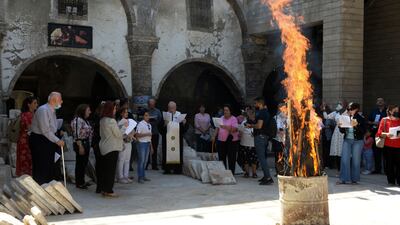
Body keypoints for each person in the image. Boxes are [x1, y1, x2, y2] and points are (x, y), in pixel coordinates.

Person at [29, 92, 64, 185]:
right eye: (60, 100)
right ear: (54, 100)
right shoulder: (43, 110)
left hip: (47, 139)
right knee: (42, 165)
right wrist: (57, 140)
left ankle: (47, 185)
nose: (62, 102)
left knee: (48, 164)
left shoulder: (51, 110)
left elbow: (52, 126)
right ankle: (41, 186)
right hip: (40, 140)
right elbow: (45, 130)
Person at [99, 101, 126, 197]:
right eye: (114, 108)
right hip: (112, 147)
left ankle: (104, 189)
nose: (115, 110)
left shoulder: (102, 120)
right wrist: (124, 128)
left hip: (104, 146)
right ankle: (109, 190)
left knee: (106, 170)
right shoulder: (111, 120)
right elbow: (118, 134)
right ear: (110, 109)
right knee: (111, 171)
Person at [337, 102, 367, 185]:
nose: (349, 111)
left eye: (351, 109)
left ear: (356, 109)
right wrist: (340, 126)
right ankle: (343, 179)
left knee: (356, 160)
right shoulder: (345, 117)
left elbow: (364, 131)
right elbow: (343, 132)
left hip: (358, 141)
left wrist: (356, 125)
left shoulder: (361, 118)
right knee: (344, 159)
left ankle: (355, 179)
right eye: (348, 109)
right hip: (347, 140)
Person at [247, 97, 274, 185]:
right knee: (263, 157)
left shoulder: (262, 112)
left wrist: (251, 126)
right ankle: (266, 175)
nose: (255, 105)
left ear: (260, 103)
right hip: (264, 137)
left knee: (261, 157)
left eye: (256, 103)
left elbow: (259, 126)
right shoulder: (265, 112)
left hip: (260, 137)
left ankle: (268, 177)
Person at [376, 105, 400, 185]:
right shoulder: (384, 120)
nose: (397, 112)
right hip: (388, 146)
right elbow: (379, 133)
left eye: (397, 110)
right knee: (389, 164)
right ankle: (391, 181)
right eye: (395, 110)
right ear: (390, 111)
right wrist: (386, 134)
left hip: (398, 146)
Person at [71, 104, 93, 189]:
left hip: (86, 143)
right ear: (83, 111)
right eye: (88, 110)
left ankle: (82, 181)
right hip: (80, 143)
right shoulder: (77, 120)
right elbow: (76, 135)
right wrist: (80, 146)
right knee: (80, 163)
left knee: (83, 163)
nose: (90, 112)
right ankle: (79, 182)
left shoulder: (85, 120)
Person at [212, 104, 239, 175]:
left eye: (227, 110)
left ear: (230, 111)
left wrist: (224, 127)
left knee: (231, 158)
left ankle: (231, 174)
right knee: (221, 157)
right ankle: (223, 173)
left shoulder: (234, 118)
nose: (225, 112)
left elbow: (235, 129)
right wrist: (214, 136)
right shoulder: (221, 118)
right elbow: (217, 128)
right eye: (224, 110)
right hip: (221, 140)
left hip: (231, 141)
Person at [161, 101, 187, 174]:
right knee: (167, 152)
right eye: (170, 108)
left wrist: (184, 124)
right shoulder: (165, 115)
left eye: (173, 108)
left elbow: (183, 130)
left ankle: (177, 169)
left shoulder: (179, 115)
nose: (171, 109)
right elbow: (160, 128)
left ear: (175, 107)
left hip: (177, 138)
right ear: (168, 108)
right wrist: (164, 124)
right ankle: (167, 169)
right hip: (167, 138)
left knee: (178, 153)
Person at [16, 96, 38, 176]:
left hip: (25, 140)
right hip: (26, 141)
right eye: (34, 103)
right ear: (29, 104)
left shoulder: (28, 114)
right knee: (27, 161)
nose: (36, 105)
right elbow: (30, 128)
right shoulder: (28, 115)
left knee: (26, 161)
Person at [325, 101, 347, 171]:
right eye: (338, 104)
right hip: (337, 131)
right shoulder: (336, 113)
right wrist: (324, 110)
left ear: (344, 105)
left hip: (344, 131)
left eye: (340, 104)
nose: (339, 105)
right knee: (336, 150)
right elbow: (327, 116)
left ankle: (344, 168)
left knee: (342, 149)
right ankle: (338, 169)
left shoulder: (347, 113)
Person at [368, 97, 387, 174]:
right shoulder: (374, 111)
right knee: (376, 152)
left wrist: (381, 123)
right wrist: (373, 123)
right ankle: (377, 169)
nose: (379, 102)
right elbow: (368, 121)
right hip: (375, 133)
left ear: (384, 102)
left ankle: (386, 170)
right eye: (378, 101)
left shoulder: (387, 111)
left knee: (385, 153)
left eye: (381, 101)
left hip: (385, 134)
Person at [116, 107, 135, 184]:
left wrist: (132, 134)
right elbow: (119, 132)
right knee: (121, 160)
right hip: (122, 142)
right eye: (125, 112)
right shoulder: (120, 121)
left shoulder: (128, 121)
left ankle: (126, 176)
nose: (127, 113)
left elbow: (132, 131)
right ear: (121, 113)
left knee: (127, 160)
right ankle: (120, 177)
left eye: (127, 112)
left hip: (129, 141)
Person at [238, 108, 258, 178]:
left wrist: (255, 134)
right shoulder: (244, 122)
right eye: (249, 113)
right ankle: (246, 172)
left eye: (252, 113)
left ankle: (254, 173)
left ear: (254, 114)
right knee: (245, 159)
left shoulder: (257, 122)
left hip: (253, 144)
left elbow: (259, 131)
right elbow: (240, 130)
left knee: (254, 159)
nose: (250, 115)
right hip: (244, 143)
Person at [135, 110, 153, 183]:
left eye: (148, 115)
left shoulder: (149, 125)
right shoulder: (140, 124)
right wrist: (147, 134)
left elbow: (150, 137)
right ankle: (140, 177)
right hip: (141, 143)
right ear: (143, 116)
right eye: (146, 115)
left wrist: (151, 147)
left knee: (145, 161)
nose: (147, 117)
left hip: (147, 143)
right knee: (141, 161)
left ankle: (143, 175)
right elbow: (137, 135)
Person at [91, 102, 104, 193]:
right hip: (99, 143)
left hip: (98, 143)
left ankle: (100, 186)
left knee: (99, 164)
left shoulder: (98, 118)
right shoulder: (99, 119)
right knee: (100, 164)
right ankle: (100, 186)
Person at [147, 98, 162, 170]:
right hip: (147, 133)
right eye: (150, 104)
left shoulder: (158, 111)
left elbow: (160, 120)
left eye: (153, 104)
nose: (152, 105)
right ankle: (146, 164)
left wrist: (154, 121)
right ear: (148, 104)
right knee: (147, 149)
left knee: (155, 149)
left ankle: (154, 165)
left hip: (155, 132)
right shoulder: (146, 111)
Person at [272, 104, 287, 176]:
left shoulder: (288, 117)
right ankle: (278, 171)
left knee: (285, 155)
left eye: (283, 107)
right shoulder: (275, 117)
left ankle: (285, 170)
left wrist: (285, 130)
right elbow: (273, 128)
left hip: (286, 139)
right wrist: (277, 130)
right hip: (277, 139)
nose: (282, 109)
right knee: (277, 155)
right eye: (280, 108)